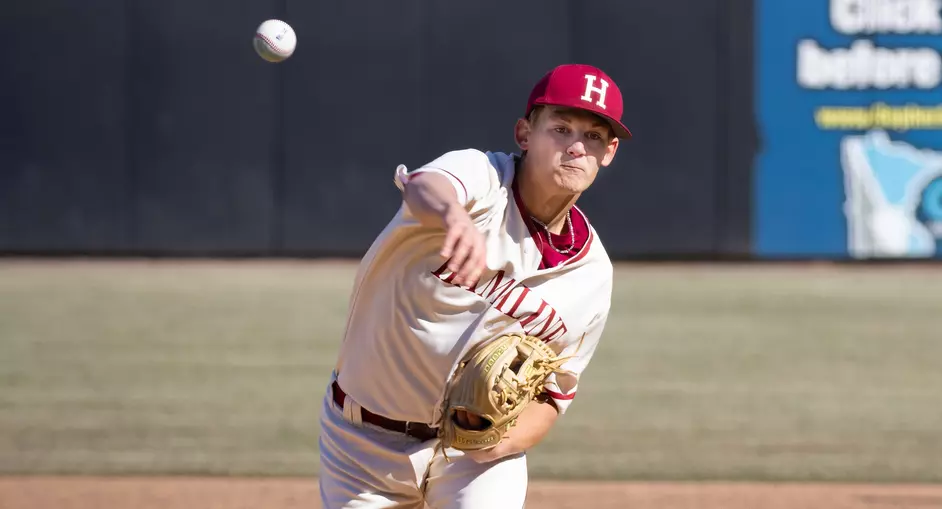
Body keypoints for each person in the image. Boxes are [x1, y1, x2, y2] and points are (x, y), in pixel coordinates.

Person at [318, 63, 631, 509]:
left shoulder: (592, 274)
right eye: (561, 129)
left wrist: (497, 445)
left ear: (609, 152)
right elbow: (425, 186)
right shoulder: (480, 177)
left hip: (474, 458)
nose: (576, 147)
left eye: (593, 137)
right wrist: (453, 216)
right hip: (362, 442)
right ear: (525, 133)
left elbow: (557, 391)